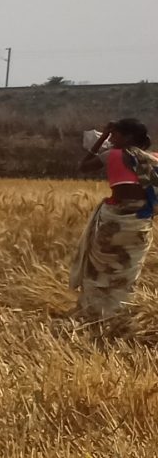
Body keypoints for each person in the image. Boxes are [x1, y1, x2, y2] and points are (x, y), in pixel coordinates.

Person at [74, 118, 158, 327]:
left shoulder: (111, 155)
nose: (111, 139)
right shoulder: (154, 159)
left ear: (127, 137)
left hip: (114, 224)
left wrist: (100, 138)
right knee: (127, 270)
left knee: (99, 269)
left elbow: (83, 166)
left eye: (115, 135)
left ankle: (93, 314)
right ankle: (118, 313)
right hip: (140, 224)